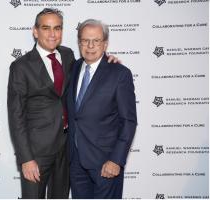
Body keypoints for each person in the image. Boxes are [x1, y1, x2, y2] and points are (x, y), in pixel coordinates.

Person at [8, 8, 119, 199]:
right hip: (36, 152)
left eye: (57, 28)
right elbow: (15, 116)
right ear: (35, 31)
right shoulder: (21, 66)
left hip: (66, 149)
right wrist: (26, 159)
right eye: (46, 28)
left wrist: (107, 61)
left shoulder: (68, 56)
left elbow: (89, 68)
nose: (52, 34)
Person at [67, 19, 137, 199]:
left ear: (105, 43)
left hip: (105, 163)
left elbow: (128, 121)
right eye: (85, 40)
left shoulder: (120, 74)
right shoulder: (73, 67)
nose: (90, 46)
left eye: (96, 41)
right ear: (79, 42)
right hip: (76, 162)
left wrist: (116, 160)